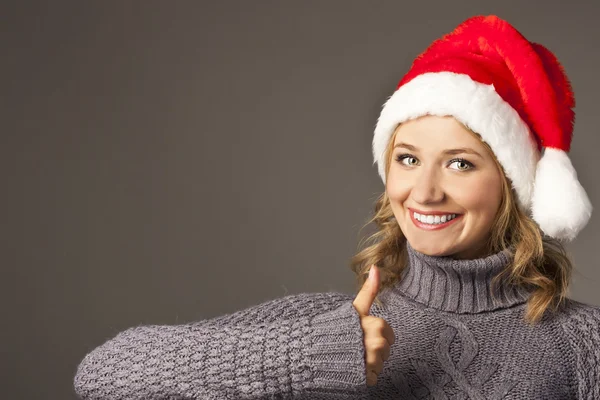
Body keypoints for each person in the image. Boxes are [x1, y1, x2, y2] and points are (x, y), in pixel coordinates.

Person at [73, 15, 599, 400]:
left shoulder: (582, 344)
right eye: (408, 158)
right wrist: (307, 356)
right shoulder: (330, 329)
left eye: (460, 164)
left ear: (511, 185)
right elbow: (102, 373)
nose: (425, 191)